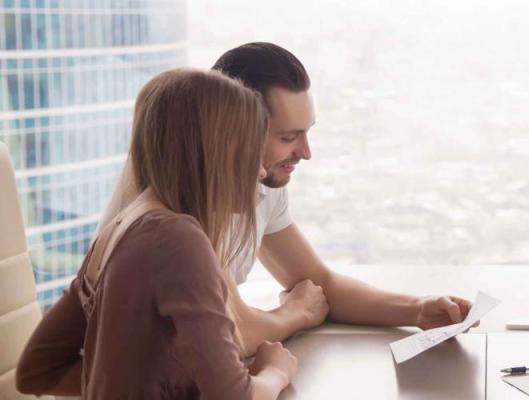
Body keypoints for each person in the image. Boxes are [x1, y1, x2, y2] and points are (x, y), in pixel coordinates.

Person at [98, 42, 473, 355]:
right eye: (287, 137)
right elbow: (236, 332)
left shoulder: (262, 185)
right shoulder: (181, 205)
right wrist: (296, 315)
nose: (306, 152)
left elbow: (315, 282)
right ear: (232, 132)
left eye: (306, 133)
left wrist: (418, 310)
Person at [17, 69, 298, 399]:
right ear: (220, 151)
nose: (261, 170)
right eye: (253, 153)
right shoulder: (178, 240)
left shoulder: (118, 231)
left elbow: (37, 372)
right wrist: (275, 372)